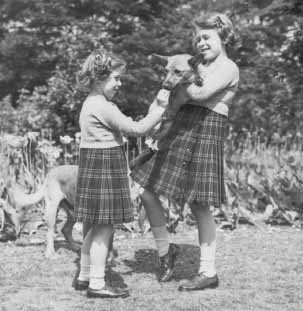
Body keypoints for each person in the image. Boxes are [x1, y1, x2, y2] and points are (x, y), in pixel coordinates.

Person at [130, 12, 239, 291]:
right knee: (147, 190)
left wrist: (179, 76)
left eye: (207, 37)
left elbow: (201, 95)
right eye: (198, 38)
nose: (201, 43)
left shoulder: (228, 67)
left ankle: (207, 271)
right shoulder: (192, 65)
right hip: (181, 127)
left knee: (199, 203)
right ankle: (166, 252)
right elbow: (171, 99)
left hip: (206, 130)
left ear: (222, 37)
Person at [74, 47, 168, 299]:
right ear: (99, 78)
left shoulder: (89, 103)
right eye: (116, 77)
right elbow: (136, 129)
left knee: (95, 226)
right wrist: (160, 110)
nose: (119, 83)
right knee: (105, 227)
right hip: (105, 165)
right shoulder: (104, 106)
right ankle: (96, 284)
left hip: (94, 163)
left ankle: (84, 276)